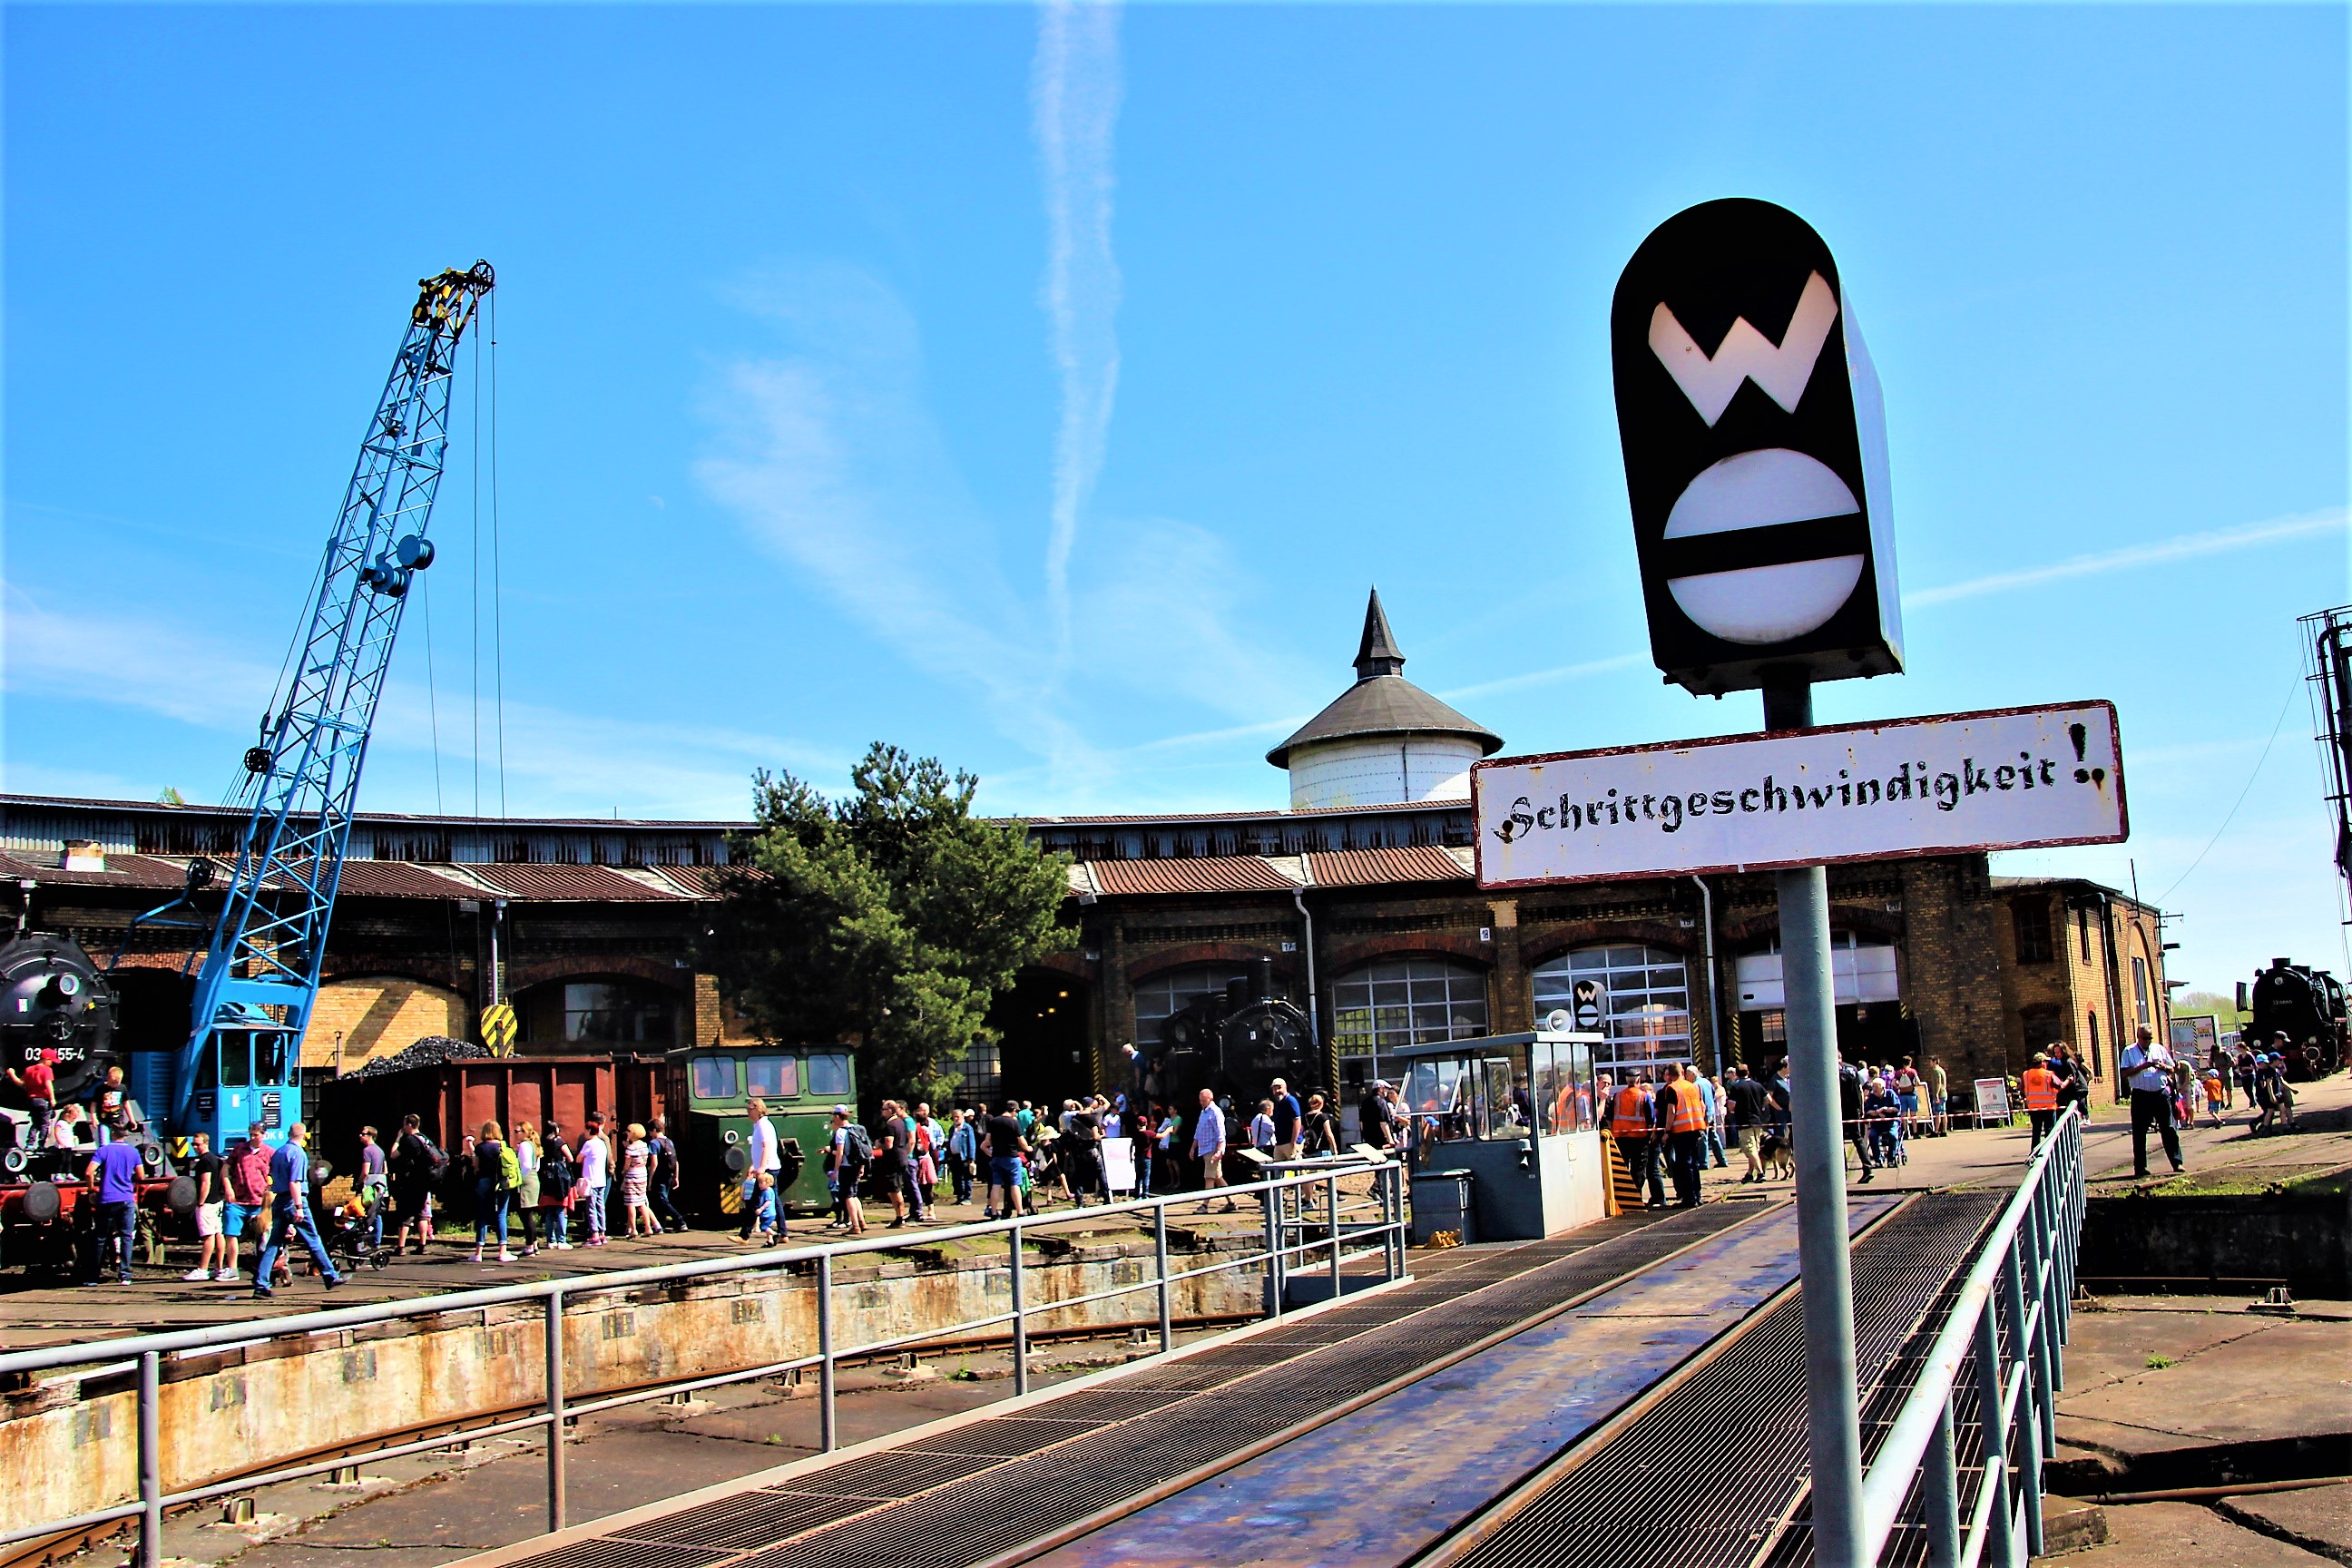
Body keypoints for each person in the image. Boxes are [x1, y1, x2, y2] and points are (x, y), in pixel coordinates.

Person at [254, 1122, 341, 1298]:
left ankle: (261, 1284)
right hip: (294, 1200)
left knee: (273, 1244)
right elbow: (294, 1182)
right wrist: (299, 1207)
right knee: (313, 1240)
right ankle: (330, 1275)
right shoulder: (298, 1153)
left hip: (279, 1200)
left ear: (289, 1133)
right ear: (304, 1135)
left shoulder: (279, 1152)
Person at [2118, 1024, 2185, 1179]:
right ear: (2138, 1036)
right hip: (2141, 1095)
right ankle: (2140, 1167)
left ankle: (2177, 1162)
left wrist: (2163, 1066)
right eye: (2145, 1038)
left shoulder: (2159, 1049)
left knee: (2168, 1129)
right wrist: (2144, 1066)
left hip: (2160, 1094)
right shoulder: (2129, 1051)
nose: (2147, 1041)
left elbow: (2172, 1068)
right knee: (2139, 1132)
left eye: (2150, 1038)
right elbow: (2125, 1073)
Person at [84, 1132, 143, 1285]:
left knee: (101, 1238)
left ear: (112, 1134)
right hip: (127, 1199)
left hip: (107, 1199)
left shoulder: (103, 1150)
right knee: (126, 1237)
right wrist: (129, 1181)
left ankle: (93, 1277)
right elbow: (141, 1176)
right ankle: (125, 1275)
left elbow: (89, 1172)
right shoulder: (133, 1151)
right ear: (125, 1135)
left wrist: (91, 1190)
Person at [222, 1121, 274, 1280]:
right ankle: (232, 1268)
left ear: (263, 1135)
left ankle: (264, 1269)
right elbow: (225, 1168)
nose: (252, 1137)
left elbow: (276, 1174)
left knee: (264, 1236)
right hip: (238, 1200)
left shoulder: (269, 1152)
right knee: (231, 1233)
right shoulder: (239, 1149)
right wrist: (228, 1187)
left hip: (259, 1201)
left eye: (256, 1135)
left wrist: (271, 1193)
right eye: (251, 1134)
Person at [181, 1130, 229, 1281]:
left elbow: (205, 1183)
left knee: (208, 1236)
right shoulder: (216, 1159)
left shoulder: (205, 1161)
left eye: (197, 1144)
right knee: (218, 1233)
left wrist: (201, 1201)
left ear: (206, 1143)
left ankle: (203, 1269)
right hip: (218, 1200)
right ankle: (219, 1267)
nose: (195, 1147)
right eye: (193, 1144)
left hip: (208, 1203)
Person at [388, 1113, 439, 1257]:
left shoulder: (408, 1140)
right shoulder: (425, 1139)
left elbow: (393, 1155)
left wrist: (398, 1139)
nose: (403, 1127)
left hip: (411, 1182)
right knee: (422, 1215)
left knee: (405, 1214)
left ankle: (401, 1247)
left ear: (409, 1125)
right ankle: (422, 1245)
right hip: (425, 1182)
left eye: (404, 1124)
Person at [471, 1120, 517, 1263]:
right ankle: (503, 1252)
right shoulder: (502, 1147)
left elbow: (476, 1167)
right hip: (501, 1183)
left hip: (483, 1183)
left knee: (482, 1216)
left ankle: (478, 1253)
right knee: (501, 1215)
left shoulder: (480, 1148)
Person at [1661, 1066, 1707, 1207]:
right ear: (1682, 1072)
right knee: (1694, 1163)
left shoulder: (1672, 1088)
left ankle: (1689, 1198)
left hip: (1681, 1130)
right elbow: (1703, 1107)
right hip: (1696, 1127)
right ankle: (1697, 1195)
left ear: (1669, 1075)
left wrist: (1667, 1131)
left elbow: (1671, 1111)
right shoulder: (1694, 1087)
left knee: (1684, 1164)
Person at [739, 1099, 779, 1241]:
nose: (748, 1112)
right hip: (765, 1167)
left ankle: (744, 1236)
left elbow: (766, 1147)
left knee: (754, 1202)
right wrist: (753, 1165)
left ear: (758, 1110)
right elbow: (757, 1149)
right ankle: (782, 1233)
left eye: (750, 1109)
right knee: (772, 1201)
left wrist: (761, 1167)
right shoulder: (758, 1125)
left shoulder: (763, 1126)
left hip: (767, 1168)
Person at [828, 1106, 869, 1234]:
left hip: (846, 1167)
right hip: (857, 1165)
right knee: (854, 1195)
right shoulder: (857, 1129)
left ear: (837, 1116)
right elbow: (862, 1150)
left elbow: (840, 1153)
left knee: (848, 1196)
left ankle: (855, 1225)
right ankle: (862, 1222)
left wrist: (836, 1171)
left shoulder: (841, 1132)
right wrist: (862, 1166)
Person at [1193, 1088, 1234, 1210]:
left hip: (1212, 1149)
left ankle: (1205, 1205)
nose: (1201, 1102)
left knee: (1209, 1177)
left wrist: (1219, 1151)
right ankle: (1231, 1202)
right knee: (1217, 1177)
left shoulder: (1216, 1112)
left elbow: (1220, 1133)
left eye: (1203, 1100)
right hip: (1204, 1149)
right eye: (1200, 1100)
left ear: (1210, 1099)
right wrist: (1193, 1148)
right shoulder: (1203, 1112)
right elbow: (1198, 1131)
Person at [1727, 1064, 1769, 1183]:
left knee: (1749, 1148)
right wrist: (1761, 1107)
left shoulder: (1736, 1087)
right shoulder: (1758, 1085)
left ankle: (1760, 1173)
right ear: (1748, 1072)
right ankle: (1750, 1174)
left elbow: (1731, 1105)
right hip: (1758, 1121)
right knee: (1755, 1148)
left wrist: (1734, 1111)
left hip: (1744, 1121)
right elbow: (1768, 1099)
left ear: (1736, 1074)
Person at [7, 1046, 57, 1143]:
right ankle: (41, 1144)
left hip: (32, 1101)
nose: (52, 1063)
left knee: (35, 1123)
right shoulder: (47, 1070)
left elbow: (21, 1084)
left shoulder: (29, 1069)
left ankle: (30, 1143)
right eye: (51, 1061)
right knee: (44, 1124)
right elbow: (48, 1083)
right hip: (43, 1100)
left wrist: (12, 1074)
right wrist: (52, 1098)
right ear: (46, 1059)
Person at [648, 1116, 688, 1233]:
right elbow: (675, 1161)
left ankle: (680, 1221)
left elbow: (654, 1162)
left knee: (662, 1201)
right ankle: (661, 1223)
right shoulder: (669, 1142)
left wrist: (650, 1179)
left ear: (654, 1130)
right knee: (662, 1199)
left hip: (659, 1175)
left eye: (650, 1131)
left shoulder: (654, 1143)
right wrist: (676, 1177)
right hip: (669, 1174)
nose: (650, 1134)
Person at [540, 1122, 575, 1250]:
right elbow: (570, 1158)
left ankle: (551, 1240)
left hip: (547, 1177)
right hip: (559, 1178)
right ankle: (562, 1240)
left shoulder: (543, 1141)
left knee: (549, 1211)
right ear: (556, 1130)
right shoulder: (559, 1141)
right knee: (561, 1209)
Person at [578, 1113, 612, 1246]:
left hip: (591, 1180)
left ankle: (595, 1235)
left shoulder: (589, 1144)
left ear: (589, 1130)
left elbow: (578, 1159)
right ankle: (602, 1233)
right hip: (601, 1179)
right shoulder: (602, 1143)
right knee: (600, 1206)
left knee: (591, 1207)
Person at [620, 1122, 658, 1240]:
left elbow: (627, 1165)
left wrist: (623, 1172)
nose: (627, 1133)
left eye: (629, 1131)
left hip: (632, 1174)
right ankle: (648, 1227)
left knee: (631, 1202)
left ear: (634, 1133)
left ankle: (633, 1229)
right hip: (642, 1173)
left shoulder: (630, 1149)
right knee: (641, 1201)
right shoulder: (644, 1145)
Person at [510, 1120, 542, 1257]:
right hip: (534, 1179)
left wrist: (519, 1179)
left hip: (526, 1181)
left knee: (525, 1215)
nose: (515, 1134)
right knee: (529, 1214)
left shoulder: (524, 1145)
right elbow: (536, 1166)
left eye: (517, 1131)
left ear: (524, 1132)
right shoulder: (533, 1145)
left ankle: (529, 1247)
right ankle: (534, 1245)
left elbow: (526, 1165)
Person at [2021, 1053, 2059, 1148]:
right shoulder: (2048, 1074)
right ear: (2042, 1062)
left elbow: (2021, 1088)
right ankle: (2049, 1151)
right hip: (2048, 1107)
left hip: (2034, 1108)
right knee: (2049, 1131)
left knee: (2036, 1131)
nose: (2047, 1064)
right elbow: (2059, 1085)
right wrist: (2067, 1081)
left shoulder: (2026, 1074)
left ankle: (2034, 1152)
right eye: (2046, 1062)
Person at [1696, 1067, 1728, 1170]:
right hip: (1711, 1112)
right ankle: (1722, 1160)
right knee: (1714, 1136)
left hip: (1703, 1114)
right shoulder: (1707, 1082)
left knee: (1703, 1138)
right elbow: (1713, 1095)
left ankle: (1704, 1163)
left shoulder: (1696, 1085)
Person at [946, 1108, 979, 1206]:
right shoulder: (952, 1129)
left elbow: (972, 1143)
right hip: (954, 1157)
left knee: (966, 1177)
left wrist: (971, 1158)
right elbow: (950, 1142)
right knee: (957, 1178)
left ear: (962, 1117)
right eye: (954, 1117)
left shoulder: (967, 1128)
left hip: (964, 1157)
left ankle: (967, 1198)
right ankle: (959, 1197)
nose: (956, 1119)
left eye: (958, 1117)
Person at [1269, 1078, 1302, 1161]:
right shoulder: (1278, 1103)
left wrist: (1293, 1142)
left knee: (1296, 1166)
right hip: (1279, 1143)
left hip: (1290, 1143)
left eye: (1279, 1088)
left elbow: (1297, 1121)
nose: (1277, 1091)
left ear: (1285, 1087)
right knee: (1277, 1166)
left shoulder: (1290, 1101)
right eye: (1275, 1089)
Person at [1302, 1093, 1338, 1157]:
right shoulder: (1323, 1117)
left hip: (1308, 1151)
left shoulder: (1305, 1117)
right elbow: (1329, 1134)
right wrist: (1334, 1149)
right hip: (1322, 1150)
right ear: (1321, 1103)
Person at [1927, 1057, 1950, 1136]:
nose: (1930, 1063)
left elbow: (1938, 1083)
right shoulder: (1941, 1070)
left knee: (1938, 1113)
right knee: (1943, 1112)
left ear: (1935, 1062)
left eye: (1931, 1062)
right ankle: (1943, 1130)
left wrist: (1937, 1094)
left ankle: (1937, 1131)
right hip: (1943, 1093)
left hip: (1940, 1095)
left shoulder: (1936, 1071)